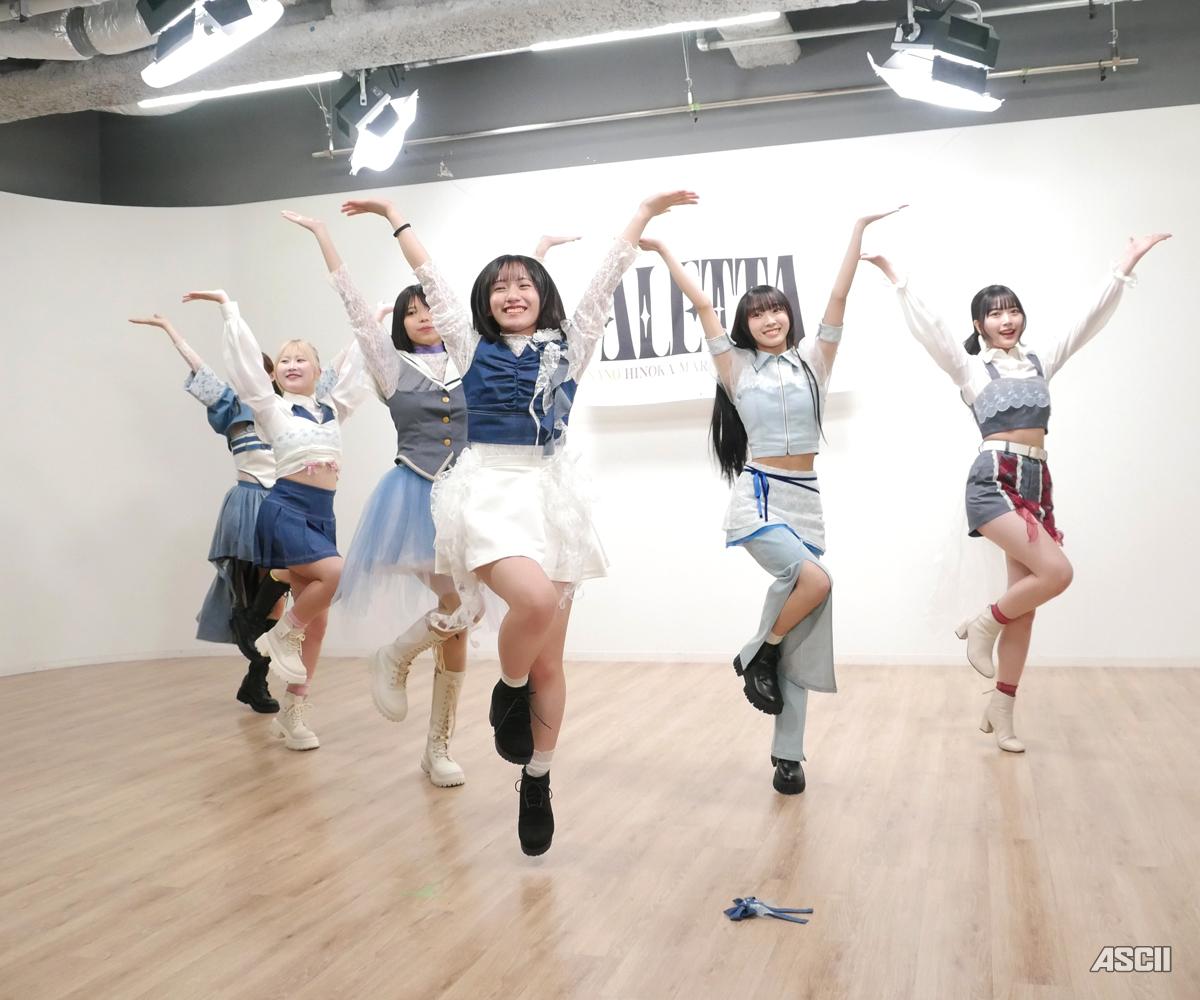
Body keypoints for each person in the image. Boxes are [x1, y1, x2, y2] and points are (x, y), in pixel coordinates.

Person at [342, 189, 696, 853]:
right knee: (531, 602)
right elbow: (430, 277)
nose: (512, 294)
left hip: (551, 495)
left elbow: (604, 283)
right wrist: (395, 219)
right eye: (501, 286)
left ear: (542, 296)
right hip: (487, 490)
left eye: (524, 284)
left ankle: (537, 778)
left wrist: (642, 215)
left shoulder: (570, 346)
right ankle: (507, 692)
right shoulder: (468, 343)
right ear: (485, 300)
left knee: (552, 663)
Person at [862, 231, 1170, 751]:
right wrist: (898, 279)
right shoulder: (969, 369)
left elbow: (1085, 322)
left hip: (1037, 483)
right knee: (1058, 573)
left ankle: (1001, 710)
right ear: (979, 325)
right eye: (994, 314)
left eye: (1012, 311)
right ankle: (984, 623)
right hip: (993, 480)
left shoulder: (1039, 361)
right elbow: (931, 331)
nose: (1006, 320)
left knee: (1025, 607)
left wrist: (1123, 267)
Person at [639, 207, 903, 793]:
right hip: (758, 496)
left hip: (806, 499)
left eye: (776, 309)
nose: (768, 319)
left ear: (789, 315)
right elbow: (701, 306)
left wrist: (857, 231)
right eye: (757, 313)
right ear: (746, 323)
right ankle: (758, 651)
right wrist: (663, 252)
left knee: (805, 622)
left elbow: (838, 298)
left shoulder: (814, 363)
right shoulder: (735, 367)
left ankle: (788, 753)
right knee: (816, 582)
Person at [181, 288, 369, 750]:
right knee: (337, 575)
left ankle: (293, 713)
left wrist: (371, 324)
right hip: (283, 510)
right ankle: (282, 634)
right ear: (276, 373)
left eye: (301, 359)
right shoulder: (270, 407)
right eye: (284, 359)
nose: (291, 364)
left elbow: (359, 370)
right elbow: (245, 364)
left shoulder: (333, 410)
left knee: (318, 623)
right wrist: (229, 308)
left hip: (322, 518)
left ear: (319, 372)